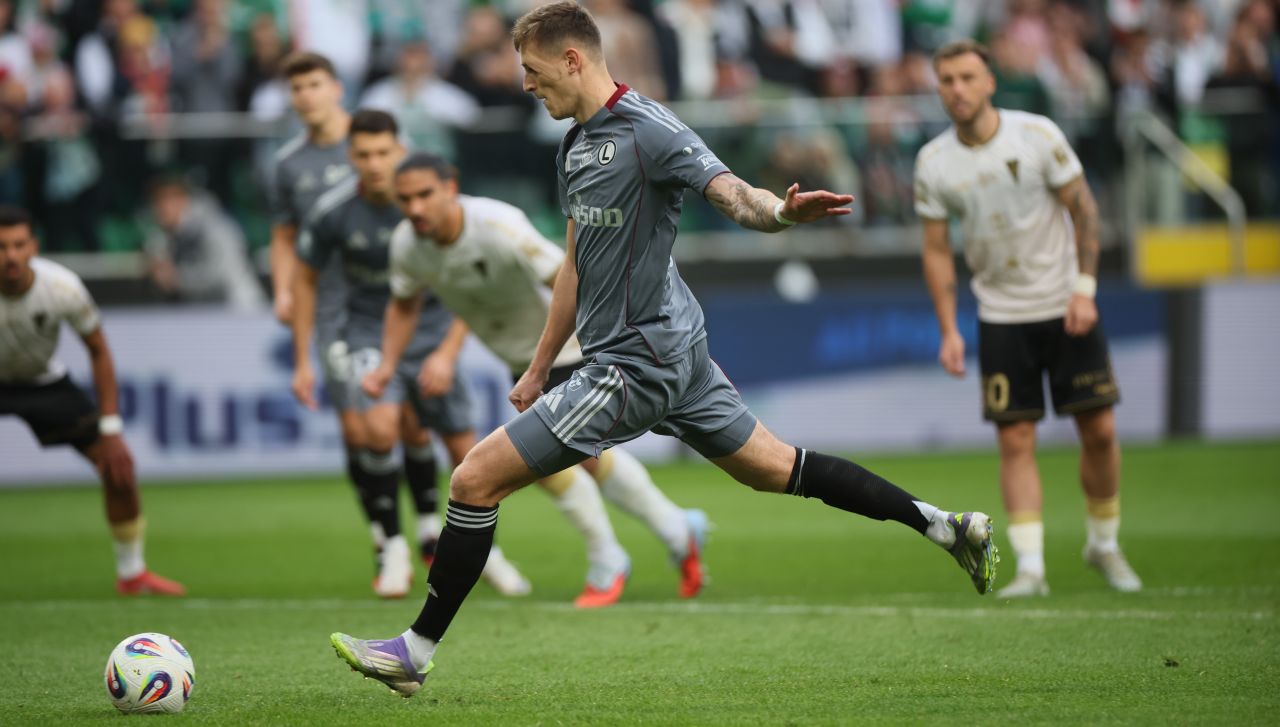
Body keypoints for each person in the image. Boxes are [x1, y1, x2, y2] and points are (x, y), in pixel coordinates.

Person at [330, 2, 997, 697]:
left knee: (473, 479)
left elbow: (732, 194)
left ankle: (414, 650)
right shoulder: (574, 145)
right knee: (777, 467)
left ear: (572, 60)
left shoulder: (651, 129)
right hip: (675, 354)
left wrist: (778, 212)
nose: (525, 84)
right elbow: (574, 265)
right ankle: (943, 526)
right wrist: (538, 366)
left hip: (636, 363)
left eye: (532, 70)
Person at [362, 152, 713, 607]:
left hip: (568, 350)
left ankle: (609, 558)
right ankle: (676, 529)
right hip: (524, 362)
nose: (414, 208)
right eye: (404, 199)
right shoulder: (408, 245)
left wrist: (576, 351)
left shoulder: (498, 225)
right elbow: (405, 304)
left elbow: (568, 277)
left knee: (542, 459)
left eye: (424, 195)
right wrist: (387, 365)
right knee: (579, 458)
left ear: (451, 188)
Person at [270, 53, 524, 597]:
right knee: (377, 429)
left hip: (431, 325)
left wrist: (448, 351)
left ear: (400, 150)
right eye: (363, 155)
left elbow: (466, 278)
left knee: (462, 449)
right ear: (351, 157)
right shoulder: (329, 207)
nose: (374, 164)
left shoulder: (428, 203)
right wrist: (301, 353)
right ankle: (391, 546)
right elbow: (304, 271)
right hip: (364, 324)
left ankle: (474, 547)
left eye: (383, 153)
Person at [913, 40, 1143, 599]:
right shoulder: (933, 162)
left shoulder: (1037, 135)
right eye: (947, 80)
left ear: (990, 81)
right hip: (1001, 314)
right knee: (1015, 439)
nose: (957, 89)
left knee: (1100, 430)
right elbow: (937, 250)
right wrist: (949, 328)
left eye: (967, 77)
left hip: (1065, 304)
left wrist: (1085, 289)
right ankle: (1032, 569)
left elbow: (1084, 211)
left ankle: (1103, 543)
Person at [0, 205, 185, 596]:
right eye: (1, 247)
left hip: (43, 383)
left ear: (34, 246)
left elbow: (98, 349)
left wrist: (111, 428)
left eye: (18, 245)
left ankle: (132, 574)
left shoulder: (62, 287)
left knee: (118, 468)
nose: (11, 256)